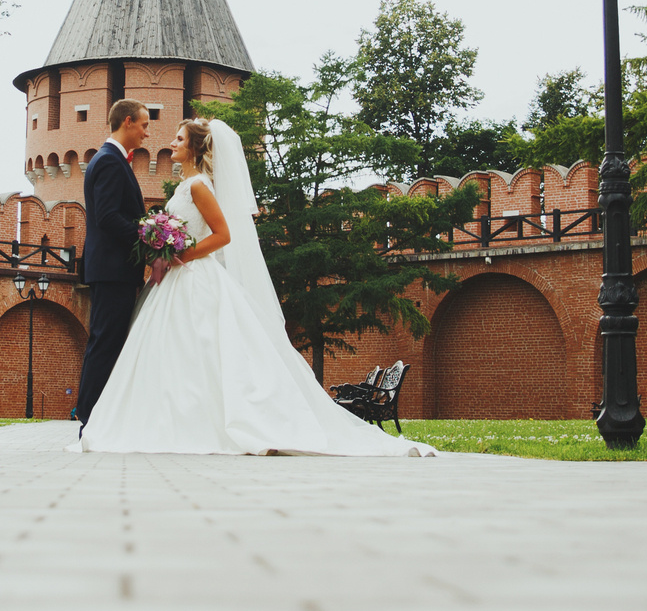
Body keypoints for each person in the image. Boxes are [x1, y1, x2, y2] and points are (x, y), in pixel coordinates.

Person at [72, 116, 435, 456]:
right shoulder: (186, 184)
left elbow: (223, 235)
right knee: (174, 351)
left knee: (199, 348)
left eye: (180, 138)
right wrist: (165, 247)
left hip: (194, 276)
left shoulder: (199, 185)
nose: (171, 142)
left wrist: (183, 253)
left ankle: (204, 424)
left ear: (196, 148)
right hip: (174, 279)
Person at [71, 99, 149, 427]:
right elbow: (106, 217)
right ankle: (89, 417)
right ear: (127, 121)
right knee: (105, 341)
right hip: (113, 269)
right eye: (144, 124)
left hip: (114, 269)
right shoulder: (109, 162)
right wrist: (149, 237)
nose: (147, 132)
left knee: (108, 340)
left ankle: (96, 416)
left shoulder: (113, 160)